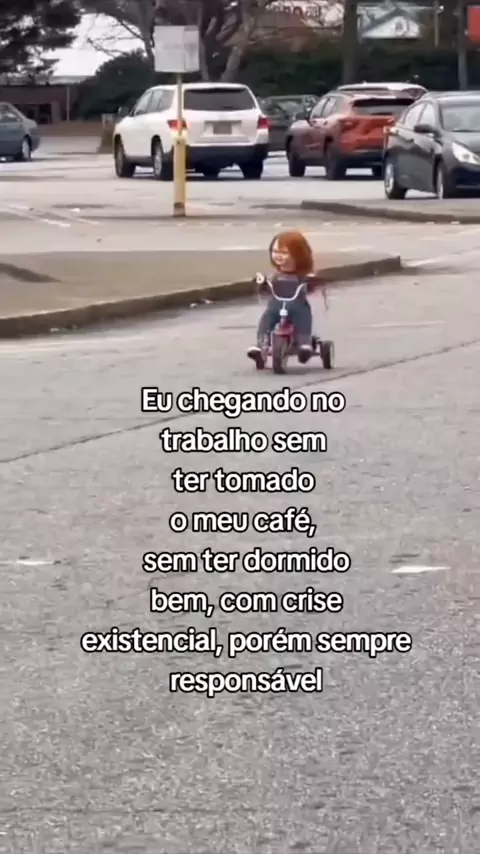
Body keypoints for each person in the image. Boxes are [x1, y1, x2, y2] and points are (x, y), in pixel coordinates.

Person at [247, 230, 321, 368]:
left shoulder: (302, 276)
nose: (279, 256)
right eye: (275, 251)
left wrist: (312, 281)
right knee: (267, 319)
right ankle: (261, 344)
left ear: (298, 254)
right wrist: (261, 282)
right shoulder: (274, 276)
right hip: (276, 305)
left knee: (304, 317)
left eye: (285, 253)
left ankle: (304, 343)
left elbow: (311, 287)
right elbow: (266, 288)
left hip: (297, 305)